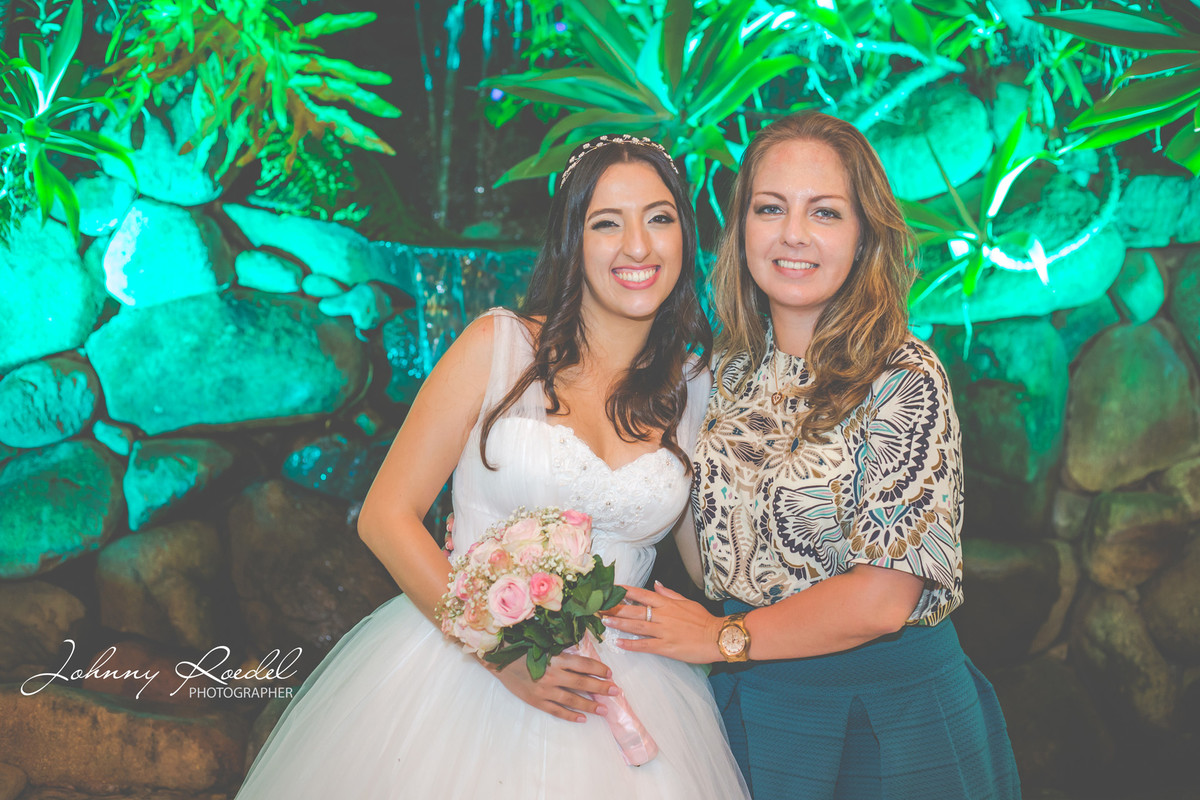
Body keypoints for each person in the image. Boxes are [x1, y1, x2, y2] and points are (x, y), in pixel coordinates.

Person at [233, 133, 750, 799]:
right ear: (572, 240)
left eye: (659, 218)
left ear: (685, 234)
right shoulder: (498, 345)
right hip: (462, 675)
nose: (638, 246)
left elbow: (712, 566)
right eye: (606, 223)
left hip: (634, 686)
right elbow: (386, 516)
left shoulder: (696, 386)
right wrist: (498, 656)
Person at [603, 113, 1022, 799]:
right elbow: (707, 558)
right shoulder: (715, 376)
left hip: (886, 716)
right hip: (749, 707)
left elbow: (884, 598)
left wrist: (722, 639)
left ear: (863, 236)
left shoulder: (904, 378)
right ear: (741, 231)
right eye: (770, 208)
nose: (793, 234)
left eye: (824, 212)